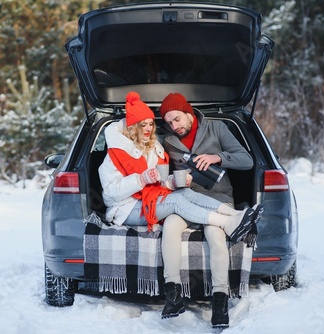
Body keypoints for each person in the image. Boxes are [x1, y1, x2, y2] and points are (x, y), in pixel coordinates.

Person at [159, 92, 263, 328]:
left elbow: (246, 160)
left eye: (176, 119)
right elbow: (162, 170)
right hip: (186, 199)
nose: (174, 126)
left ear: (189, 112)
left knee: (215, 235)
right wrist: (175, 181)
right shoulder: (169, 141)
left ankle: (220, 300)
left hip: (218, 197)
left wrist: (217, 157)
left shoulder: (216, 128)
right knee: (171, 225)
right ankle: (173, 294)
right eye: (169, 123)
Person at [98, 91, 259, 241]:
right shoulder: (115, 155)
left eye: (150, 124)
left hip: (159, 199)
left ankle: (237, 215)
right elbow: (110, 193)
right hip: (125, 208)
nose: (148, 129)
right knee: (176, 200)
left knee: (184, 194)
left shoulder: (156, 150)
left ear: (189, 113)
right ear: (133, 127)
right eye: (143, 125)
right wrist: (140, 179)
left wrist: (170, 183)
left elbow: (159, 184)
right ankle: (226, 223)